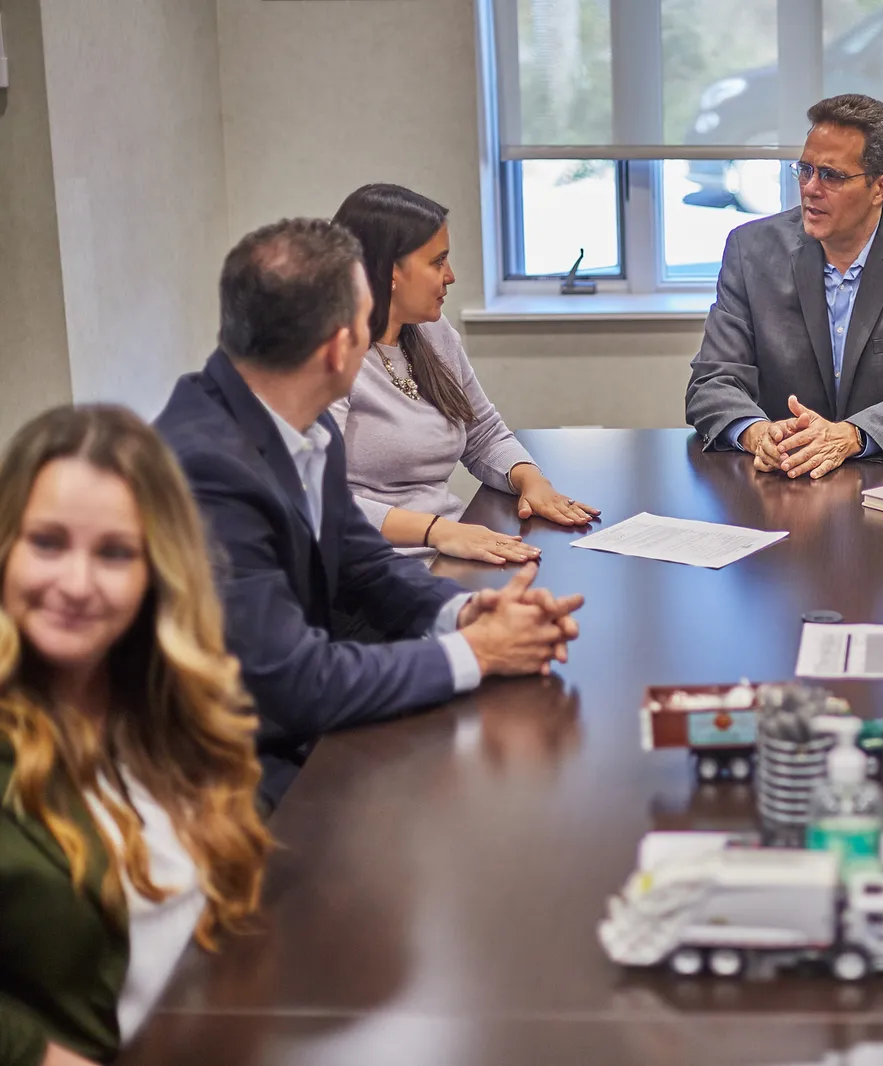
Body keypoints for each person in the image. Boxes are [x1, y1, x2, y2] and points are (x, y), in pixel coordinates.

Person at [155, 219, 583, 807]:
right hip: (230, 778)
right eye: (365, 328)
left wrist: (468, 612)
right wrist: (479, 652)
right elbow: (289, 683)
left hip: (301, 720)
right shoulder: (209, 469)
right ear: (338, 349)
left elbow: (362, 561)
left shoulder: (294, 419)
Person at [0, 405, 271, 1065]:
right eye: (48, 542)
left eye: (115, 553)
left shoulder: (175, 714)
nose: (76, 584)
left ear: (157, 572)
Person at [685, 93, 883, 479]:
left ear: (880, 188)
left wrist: (852, 435)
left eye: (831, 175)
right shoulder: (752, 250)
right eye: (804, 170)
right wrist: (758, 433)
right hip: (782, 482)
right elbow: (711, 382)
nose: (810, 188)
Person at [329, 183, 598, 564]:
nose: (451, 276)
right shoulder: (323, 358)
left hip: (445, 548)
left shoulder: (432, 333)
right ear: (390, 271)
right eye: (437, 262)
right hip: (367, 569)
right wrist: (437, 530)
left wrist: (531, 480)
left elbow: (482, 433)